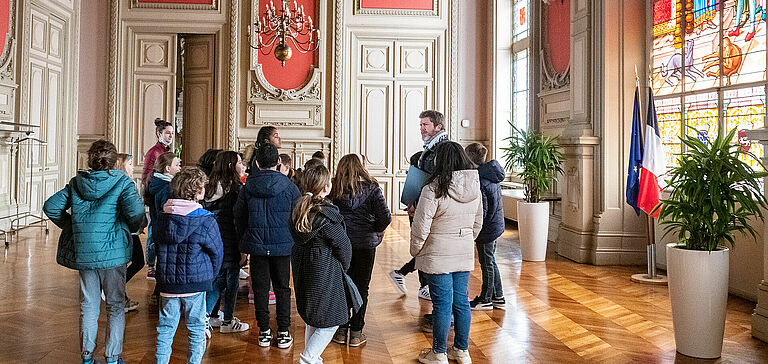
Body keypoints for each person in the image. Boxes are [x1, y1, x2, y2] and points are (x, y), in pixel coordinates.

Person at [43, 140, 147, 364]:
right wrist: (129, 227)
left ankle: (87, 357)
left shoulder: (76, 183)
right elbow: (138, 212)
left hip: (86, 254)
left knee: (88, 306)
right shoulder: (122, 182)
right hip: (114, 253)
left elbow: (50, 206)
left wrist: (73, 226)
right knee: (115, 305)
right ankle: (112, 357)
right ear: (113, 161)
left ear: (90, 159)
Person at [410, 141, 482, 364]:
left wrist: (415, 250)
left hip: (437, 253)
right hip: (462, 251)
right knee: (461, 301)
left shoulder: (432, 189)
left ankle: (439, 353)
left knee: (442, 303)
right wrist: (465, 240)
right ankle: (461, 350)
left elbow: (421, 226)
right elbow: (478, 222)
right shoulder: (474, 187)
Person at [154, 167, 223, 364]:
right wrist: (210, 276)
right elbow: (216, 252)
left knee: (165, 330)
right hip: (195, 282)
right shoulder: (205, 219)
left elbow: (156, 246)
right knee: (196, 329)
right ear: (197, 191)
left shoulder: (162, 217)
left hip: (168, 283)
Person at [235, 143, 300, 349]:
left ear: (256, 162)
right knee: (282, 289)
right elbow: (298, 216)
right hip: (283, 245)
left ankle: (264, 332)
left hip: (257, 245)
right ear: (279, 162)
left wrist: (244, 239)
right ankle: (283, 332)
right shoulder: (290, 187)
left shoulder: (248, 187)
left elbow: (239, 216)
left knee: (261, 289)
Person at [291, 165, 353, 364]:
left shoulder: (299, 209)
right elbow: (344, 247)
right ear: (325, 187)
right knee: (330, 321)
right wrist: (342, 267)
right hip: (325, 271)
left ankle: (313, 357)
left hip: (304, 267)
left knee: (315, 317)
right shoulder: (327, 215)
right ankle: (308, 358)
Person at [329, 154, 392, 346]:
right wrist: (376, 230)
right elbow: (385, 217)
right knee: (361, 287)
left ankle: (341, 330)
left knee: (342, 285)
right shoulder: (372, 189)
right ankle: (356, 332)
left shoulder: (334, 188)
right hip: (365, 244)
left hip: (341, 243)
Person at [390, 110, 450, 301]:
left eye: (426, 125)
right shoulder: (432, 147)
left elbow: (432, 182)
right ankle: (418, 281)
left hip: (429, 207)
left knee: (426, 246)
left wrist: (418, 203)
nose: (422, 129)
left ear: (438, 126)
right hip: (420, 205)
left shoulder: (441, 149)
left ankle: (422, 283)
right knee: (423, 245)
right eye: (421, 125)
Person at [202, 151, 250, 334]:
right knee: (230, 281)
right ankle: (227, 320)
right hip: (229, 240)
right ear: (231, 166)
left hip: (212, 239)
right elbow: (237, 220)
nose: (243, 166)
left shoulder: (210, 186)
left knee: (218, 279)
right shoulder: (234, 190)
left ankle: (211, 316)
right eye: (239, 162)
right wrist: (243, 248)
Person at [465, 143, 507, 311]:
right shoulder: (491, 174)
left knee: (486, 262)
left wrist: (475, 229)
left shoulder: (480, 179)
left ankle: (486, 299)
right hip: (495, 224)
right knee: (490, 261)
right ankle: (499, 297)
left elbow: (482, 210)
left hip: (487, 227)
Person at [144, 152, 180, 281]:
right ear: (168, 169)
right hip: (164, 228)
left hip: (156, 225)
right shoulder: (166, 187)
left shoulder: (155, 182)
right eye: (177, 165)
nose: (179, 168)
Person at [115, 153, 143, 313]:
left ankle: (118, 292)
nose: (133, 167)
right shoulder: (125, 184)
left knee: (131, 262)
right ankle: (117, 292)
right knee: (137, 261)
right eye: (130, 164)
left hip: (130, 229)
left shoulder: (124, 183)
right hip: (129, 230)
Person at [142, 118, 174, 185]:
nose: (171, 136)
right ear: (159, 134)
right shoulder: (153, 152)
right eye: (168, 133)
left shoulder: (167, 151)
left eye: (172, 133)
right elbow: (145, 178)